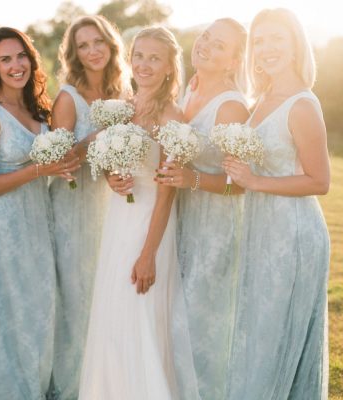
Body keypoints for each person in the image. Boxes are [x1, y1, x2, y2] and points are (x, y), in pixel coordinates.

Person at [78, 26, 199, 400]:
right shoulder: (124, 107)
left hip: (150, 226)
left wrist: (148, 254)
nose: (144, 64)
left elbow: (167, 193)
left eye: (154, 58)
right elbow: (116, 161)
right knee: (114, 317)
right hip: (119, 221)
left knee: (140, 316)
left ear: (168, 68)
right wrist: (112, 177)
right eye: (139, 55)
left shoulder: (171, 116)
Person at [0, 27, 78, 399]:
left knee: (37, 308)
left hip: (35, 223)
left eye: (21, 56)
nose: (16, 66)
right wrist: (37, 171)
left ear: (31, 58)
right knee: (5, 314)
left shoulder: (36, 108)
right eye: (6, 59)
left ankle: (33, 385)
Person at [223, 8, 330, 400]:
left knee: (276, 332)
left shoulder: (302, 104)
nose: (267, 49)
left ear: (295, 45)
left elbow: (320, 181)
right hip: (261, 226)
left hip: (293, 234)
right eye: (260, 41)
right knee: (259, 330)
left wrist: (255, 180)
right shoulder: (263, 97)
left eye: (277, 40)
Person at [155, 18, 249, 400]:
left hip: (215, 231)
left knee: (198, 329)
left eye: (220, 45)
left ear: (233, 61)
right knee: (173, 324)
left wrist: (190, 179)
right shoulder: (187, 91)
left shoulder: (231, 107)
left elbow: (240, 183)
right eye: (207, 37)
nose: (207, 45)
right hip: (183, 223)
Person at [48, 15, 131, 399]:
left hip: (111, 207)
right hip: (74, 207)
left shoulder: (123, 92)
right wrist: (97, 139)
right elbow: (60, 162)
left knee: (108, 296)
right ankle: (71, 387)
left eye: (98, 41)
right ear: (74, 54)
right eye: (83, 45)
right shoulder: (68, 97)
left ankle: (104, 382)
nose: (92, 50)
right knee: (78, 298)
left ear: (110, 44)